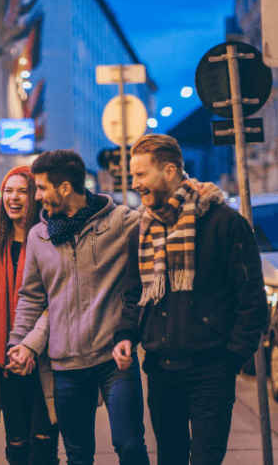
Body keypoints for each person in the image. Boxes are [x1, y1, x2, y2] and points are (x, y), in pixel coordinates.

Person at [113, 134, 268, 465]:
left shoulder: (224, 223)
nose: (135, 184)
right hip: (160, 371)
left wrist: (231, 360)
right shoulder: (141, 232)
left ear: (169, 172)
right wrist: (126, 335)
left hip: (211, 370)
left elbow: (251, 301)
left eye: (141, 175)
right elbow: (133, 295)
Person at [7, 150, 150, 465]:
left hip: (114, 359)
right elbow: (31, 297)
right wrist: (18, 343)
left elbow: (162, 220)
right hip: (66, 366)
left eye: (42, 187)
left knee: (129, 446)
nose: (37, 195)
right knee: (78, 456)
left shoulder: (122, 223)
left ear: (66, 188)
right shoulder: (39, 236)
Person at [0, 165, 60, 465]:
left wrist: (30, 344)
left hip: (46, 356)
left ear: (35, 197)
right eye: (8, 190)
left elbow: (55, 299)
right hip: (8, 357)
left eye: (23, 191)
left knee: (43, 448)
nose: (13, 197)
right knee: (16, 446)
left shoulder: (52, 239)